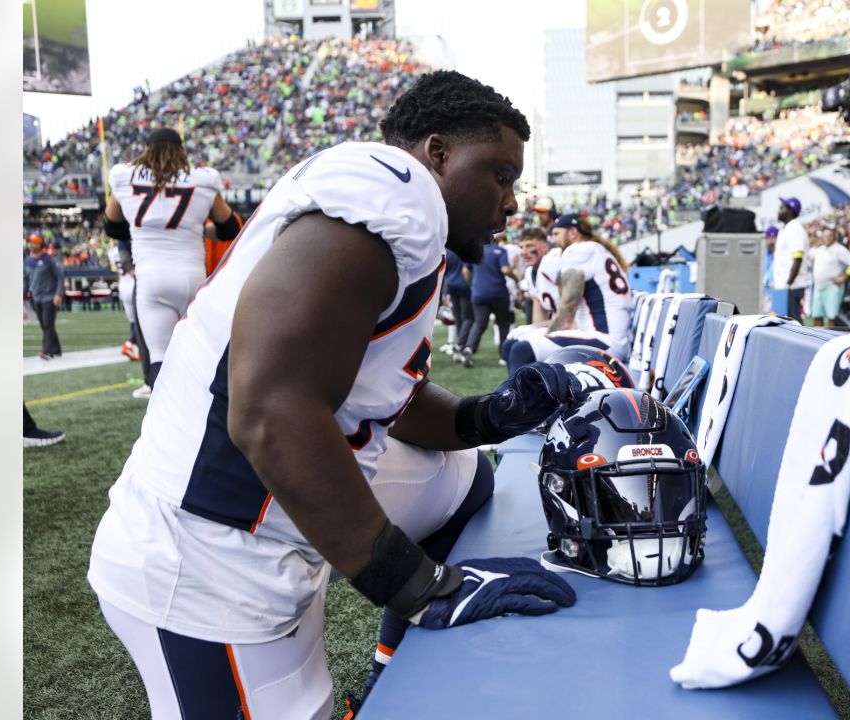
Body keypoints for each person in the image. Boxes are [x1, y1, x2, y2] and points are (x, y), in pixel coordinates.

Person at [88, 71, 579, 720]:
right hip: (210, 556)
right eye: (500, 174)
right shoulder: (394, 191)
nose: (512, 202)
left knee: (461, 479)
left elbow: (370, 397)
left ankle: (391, 672)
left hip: (252, 511)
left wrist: (485, 416)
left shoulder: (402, 216)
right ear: (437, 153)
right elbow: (270, 410)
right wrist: (415, 586)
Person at [102, 128, 241, 399]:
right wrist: (195, 228)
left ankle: (167, 425)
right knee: (202, 356)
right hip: (194, 278)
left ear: (146, 149)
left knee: (159, 360)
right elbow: (229, 228)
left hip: (152, 280)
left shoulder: (123, 177)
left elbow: (112, 226)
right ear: (181, 150)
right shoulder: (203, 178)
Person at [503, 213, 633, 374]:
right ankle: (520, 396)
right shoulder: (592, 249)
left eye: (556, 234)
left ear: (572, 233)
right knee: (513, 341)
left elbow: (567, 311)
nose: (553, 239)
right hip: (599, 335)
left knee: (523, 349)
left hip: (605, 341)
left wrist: (545, 336)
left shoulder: (579, 250)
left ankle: (513, 398)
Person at [461, 232, 517, 368]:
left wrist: (472, 285)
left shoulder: (475, 251)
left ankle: (469, 348)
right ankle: (504, 356)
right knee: (503, 324)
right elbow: (505, 269)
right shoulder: (500, 251)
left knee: (479, 323)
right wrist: (517, 278)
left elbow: (465, 271)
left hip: (479, 293)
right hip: (498, 293)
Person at [770, 197, 811, 323]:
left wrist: (788, 283)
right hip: (784, 285)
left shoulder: (795, 229)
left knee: (794, 324)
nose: (778, 210)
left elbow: (797, 259)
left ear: (790, 210)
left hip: (792, 286)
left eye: (782, 208)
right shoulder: (785, 229)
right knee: (784, 323)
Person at [807, 230, 850, 328]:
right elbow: (808, 255)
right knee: (816, 316)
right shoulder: (820, 249)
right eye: (825, 235)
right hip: (819, 287)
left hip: (832, 287)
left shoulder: (839, 249)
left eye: (830, 235)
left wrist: (844, 277)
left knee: (832, 317)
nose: (827, 238)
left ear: (834, 237)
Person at [24, 235, 64, 360]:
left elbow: (60, 277)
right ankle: (57, 350)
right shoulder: (27, 261)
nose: (32, 245)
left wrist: (58, 294)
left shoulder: (49, 260)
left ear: (41, 245)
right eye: (31, 243)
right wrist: (22, 296)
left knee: (47, 325)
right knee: (45, 325)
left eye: (35, 243)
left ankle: (47, 351)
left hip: (50, 298)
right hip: (35, 298)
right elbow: (25, 280)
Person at [443, 248, 474, 358]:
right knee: (468, 318)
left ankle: (460, 346)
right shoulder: (466, 251)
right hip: (464, 286)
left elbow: (444, 272)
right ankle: (461, 345)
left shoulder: (449, 252)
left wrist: (444, 292)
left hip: (451, 285)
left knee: (459, 317)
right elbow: (467, 270)